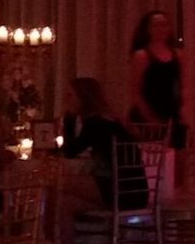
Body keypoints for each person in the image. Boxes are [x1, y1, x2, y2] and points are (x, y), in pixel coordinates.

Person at [61, 77, 148, 212]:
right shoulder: (110, 121)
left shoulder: (95, 124)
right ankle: (87, 231)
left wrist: (68, 120)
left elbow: (70, 151)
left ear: (82, 98)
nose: (65, 100)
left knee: (59, 185)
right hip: (137, 192)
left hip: (119, 192)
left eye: (69, 95)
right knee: (66, 201)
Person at [130, 9, 187, 147]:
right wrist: (150, 118)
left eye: (165, 25)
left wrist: (184, 109)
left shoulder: (178, 55)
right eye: (157, 25)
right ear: (148, 29)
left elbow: (184, 85)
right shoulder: (142, 56)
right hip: (147, 113)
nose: (162, 29)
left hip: (172, 112)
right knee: (151, 159)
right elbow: (135, 92)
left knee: (178, 156)